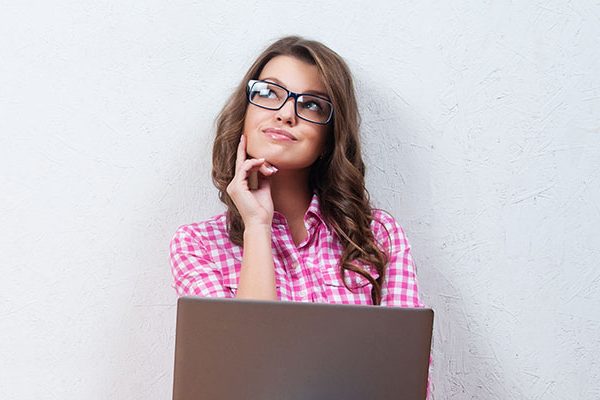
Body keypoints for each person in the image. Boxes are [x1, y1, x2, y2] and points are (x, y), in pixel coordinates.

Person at [169, 35, 430, 395]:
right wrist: (257, 226)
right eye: (268, 93)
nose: (286, 113)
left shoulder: (378, 235)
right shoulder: (197, 246)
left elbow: (406, 381)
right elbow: (241, 379)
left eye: (312, 104)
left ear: (329, 137)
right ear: (244, 112)